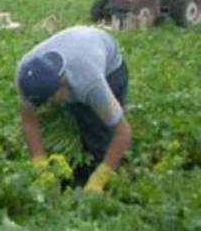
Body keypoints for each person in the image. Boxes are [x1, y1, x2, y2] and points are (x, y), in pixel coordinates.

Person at [17, 26, 131, 193]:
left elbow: (123, 132)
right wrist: (39, 159)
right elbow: (29, 119)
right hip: (76, 45)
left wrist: (100, 177)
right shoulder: (26, 75)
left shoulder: (91, 85)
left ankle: (111, 173)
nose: (47, 106)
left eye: (48, 100)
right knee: (73, 122)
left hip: (109, 65)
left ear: (62, 86)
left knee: (99, 134)